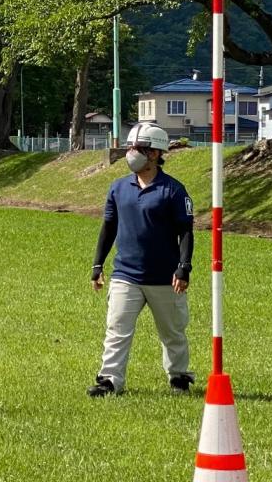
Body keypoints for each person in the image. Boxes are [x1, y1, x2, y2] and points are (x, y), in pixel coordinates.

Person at [88, 122, 196, 397]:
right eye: (131, 147)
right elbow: (108, 228)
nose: (131, 153)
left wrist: (183, 268)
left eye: (139, 148)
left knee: (172, 332)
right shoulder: (118, 188)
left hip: (165, 277)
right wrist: (97, 265)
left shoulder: (173, 190)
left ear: (155, 153)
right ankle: (110, 380)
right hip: (126, 274)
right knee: (117, 330)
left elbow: (185, 231)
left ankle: (179, 377)